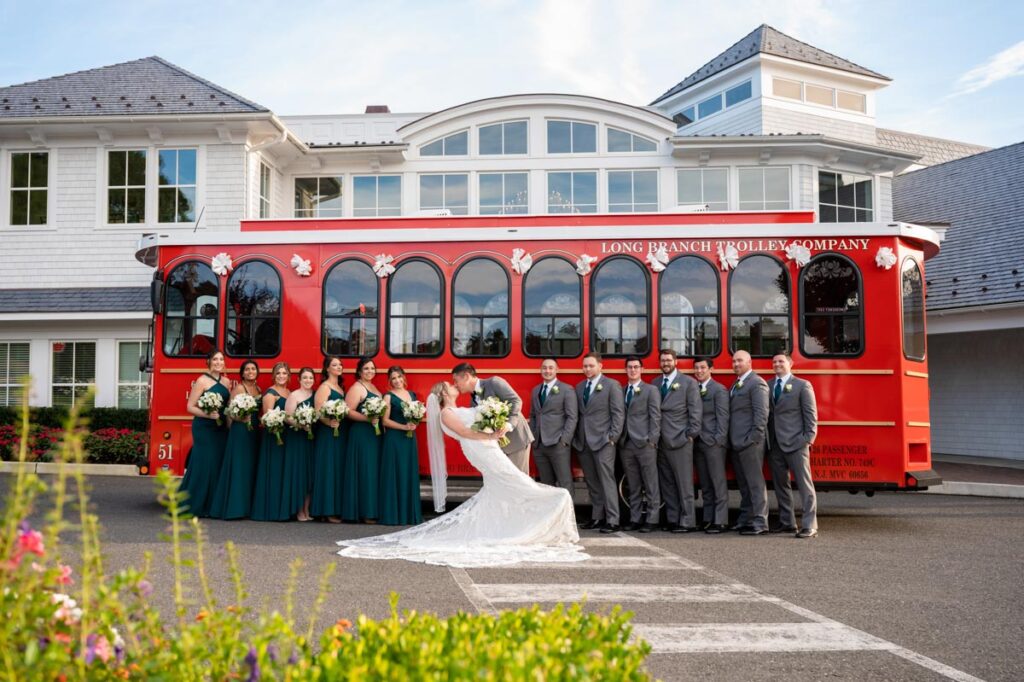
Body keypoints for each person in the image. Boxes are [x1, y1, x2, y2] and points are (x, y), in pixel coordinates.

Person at [337, 381, 587, 568]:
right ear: (444, 394)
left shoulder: (460, 407)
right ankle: (541, 513)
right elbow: (466, 434)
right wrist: (490, 435)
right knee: (517, 483)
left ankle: (511, 526)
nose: (455, 385)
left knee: (505, 488)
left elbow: (475, 427)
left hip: (489, 448)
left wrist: (494, 429)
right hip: (482, 450)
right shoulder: (447, 413)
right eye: (450, 385)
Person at [766, 353, 819, 539]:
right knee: (781, 486)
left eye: (781, 361)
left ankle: (810, 525)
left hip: (797, 443)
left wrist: (808, 439)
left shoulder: (802, 385)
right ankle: (787, 523)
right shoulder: (768, 385)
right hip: (775, 444)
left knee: (805, 485)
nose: (777, 364)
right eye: (774, 362)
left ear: (790, 364)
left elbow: (811, 416)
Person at [572, 352, 624, 533]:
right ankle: (597, 517)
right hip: (583, 442)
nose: (587, 369)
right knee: (592, 482)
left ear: (600, 366)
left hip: (604, 441)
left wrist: (612, 437)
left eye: (591, 365)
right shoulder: (579, 387)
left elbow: (618, 413)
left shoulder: (611, 385)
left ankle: (613, 520)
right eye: (585, 366)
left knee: (607, 480)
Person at [652, 349, 702, 533]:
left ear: (675, 362)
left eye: (668, 360)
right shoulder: (655, 383)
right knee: (667, 483)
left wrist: (689, 435)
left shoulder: (688, 383)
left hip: (680, 440)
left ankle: (688, 521)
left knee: (684, 483)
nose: (665, 363)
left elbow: (695, 412)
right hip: (660, 441)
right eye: (663, 360)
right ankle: (672, 519)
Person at [452, 363, 534, 474]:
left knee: (520, 482)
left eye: (456, 381)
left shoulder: (494, 382)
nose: (455, 385)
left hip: (516, 440)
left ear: (466, 376)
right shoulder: (472, 402)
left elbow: (516, 401)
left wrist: (509, 424)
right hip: (498, 447)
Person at [181, 349, 231, 518]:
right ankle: (194, 504)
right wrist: (208, 414)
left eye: (221, 359)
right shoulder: (201, 381)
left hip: (220, 428)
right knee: (204, 464)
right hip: (204, 428)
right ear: (209, 362)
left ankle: (212, 505)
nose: (218, 362)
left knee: (217, 463)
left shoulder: (226, 382)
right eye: (215, 359)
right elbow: (190, 406)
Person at [209, 359, 261, 520]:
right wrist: (240, 419)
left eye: (253, 369)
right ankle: (234, 509)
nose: (250, 372)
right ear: (242, 373)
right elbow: (229, 412)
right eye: (247, 370)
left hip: (253, 433)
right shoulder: (239, 388)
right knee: (238, 468)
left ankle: (245, 507)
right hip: (240, 432)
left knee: (249, 468)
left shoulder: (258, 388)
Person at [728, 350, 770, 536]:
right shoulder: (737, 384)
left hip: (749, 443)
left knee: (755, 484)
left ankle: (760, 523)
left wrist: (752, 438)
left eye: (740, 361)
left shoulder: (756, 383)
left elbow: (761, 414)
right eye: (734, 361)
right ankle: (746, 519)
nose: (736, 364)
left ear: (749, 362)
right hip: (737, 442)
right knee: (744, 485)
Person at [619, 356, 661, 533]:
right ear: (626, 370)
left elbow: (656, 416)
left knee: (650, 483)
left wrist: (652, 440)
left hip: (645, 443)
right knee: (633, 484)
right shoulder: (621, 391)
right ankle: (635, 518)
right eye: (629, 367)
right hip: (626, 443)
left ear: (641, 370)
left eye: (636, 367)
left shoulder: (651, 390)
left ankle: (652, 519)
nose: (633, 370)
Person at [378, 366, 424, 526]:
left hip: (409, 440)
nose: (397, 381)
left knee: (407, 473)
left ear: (404, 377)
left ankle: (408, 514)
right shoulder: (388, 397)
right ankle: (393, 515)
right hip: (394, 439)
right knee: (395, 473)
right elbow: (385, 421)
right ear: (390, 381)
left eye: (399, 377)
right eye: (393, 378)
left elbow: (416, 415)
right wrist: (404, 427)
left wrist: (414, 424)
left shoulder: (412, 395)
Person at [528, 358, 578, 495]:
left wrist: (564, 440)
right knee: (546, 484)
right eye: (544, 368)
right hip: (539, 445)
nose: (547, 371)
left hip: (558, 444)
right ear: (540, 370)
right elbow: (533, 415)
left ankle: (568, 515)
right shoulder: (535, 390)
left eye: (551, 368)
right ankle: (552, 515)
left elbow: (572, 417)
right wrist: (533, 437)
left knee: (565, 482)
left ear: (557, 370)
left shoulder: (567, 390)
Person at [343, 357, 383, 523]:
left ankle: (372, 509)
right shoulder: (357, 387)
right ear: (359, 371)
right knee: (365, 471)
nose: (369, 371)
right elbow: (348, 411)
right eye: (366, 369)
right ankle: (365, 512)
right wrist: (367, 419)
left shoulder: (373, 386)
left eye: (372, 368)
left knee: (372, 472)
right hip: (361, 434)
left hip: (373, 435)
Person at [692, 357, 730, 534]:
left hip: (713, 443)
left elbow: (723, 418)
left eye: (702, 368)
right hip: (698, 442)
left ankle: (721, 521)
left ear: (711, 369)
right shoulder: (694, 388)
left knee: (718, 482)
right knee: (705, 483)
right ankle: (708, 518)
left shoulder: (718, 390)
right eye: (696, 368)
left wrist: (718, 440)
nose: (699, 371)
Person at [251, 362, 291, 522]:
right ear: (274, 375)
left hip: (286, 436)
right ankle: (269, 510)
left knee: (282, 472)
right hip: (274, 436)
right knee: (273, 471)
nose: (282, 376)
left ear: (288, 376)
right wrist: (275, 428)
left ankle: (281, 509)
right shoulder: (270, 393)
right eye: (278, 373)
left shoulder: (288, 392)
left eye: (284, 373)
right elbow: (268, 417)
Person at [311, 356, 345, 523]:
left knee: (336, 470)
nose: (339, 367)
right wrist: (329, 422)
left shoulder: (339, 387)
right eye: (334, 365)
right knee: (328, 470)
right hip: (327, 434)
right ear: (327, 369)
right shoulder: (324, 387)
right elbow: (318, 412)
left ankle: (334, 508)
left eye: (340, 364)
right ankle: (326, 510)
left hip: (339, 433)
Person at [282, 367, 316, 522]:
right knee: (300, 473)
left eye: (311, 378)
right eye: (305, 378)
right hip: (297, 438)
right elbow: (287, 417)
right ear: (299, 380)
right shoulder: (294, 395)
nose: (308, 380)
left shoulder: (315, 395)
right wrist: (302, 424)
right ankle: (298, 511)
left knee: (309, 474)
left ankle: (307, 510)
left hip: (311, 438)